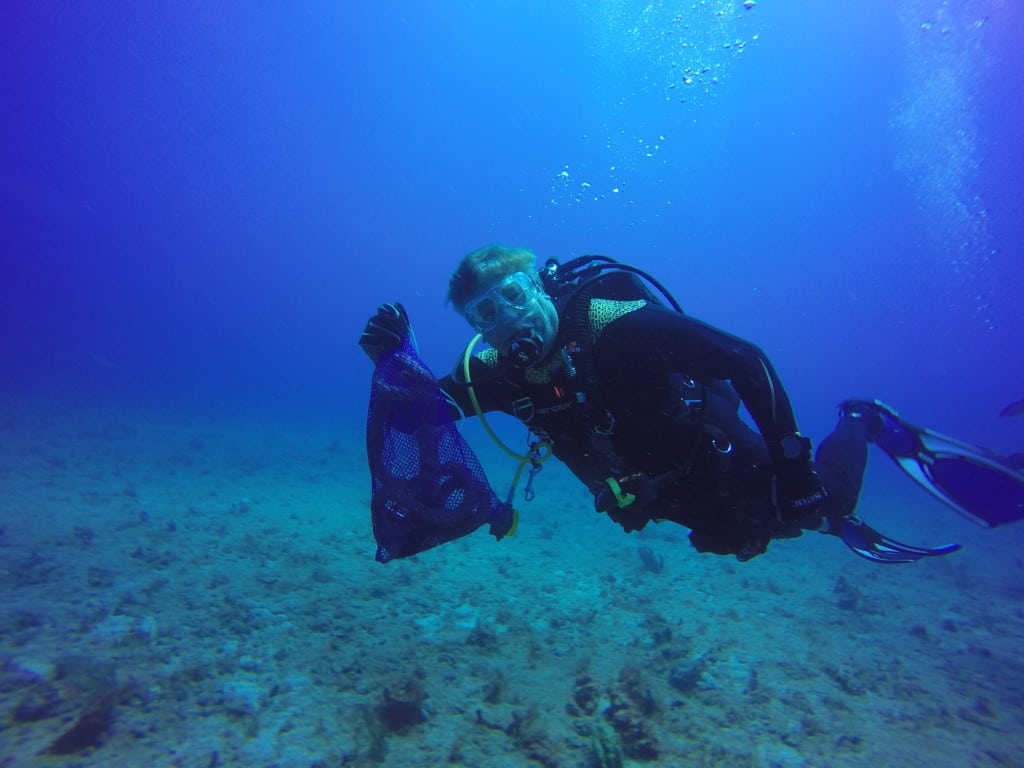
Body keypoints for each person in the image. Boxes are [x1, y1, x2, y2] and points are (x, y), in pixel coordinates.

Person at [360, 244, 1024, 563]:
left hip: (718, 450)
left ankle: (863, 420)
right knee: (733, 538)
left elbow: (745, 360)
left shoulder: (614, 326)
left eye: (512, 295)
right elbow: (431, 411)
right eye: (486, 313)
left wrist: (793, 471)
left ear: (537, 286)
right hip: (649, 489)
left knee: (809, 508)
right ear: (477, 326)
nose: (507, 319)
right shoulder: (496, 374)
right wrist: (396, 364)